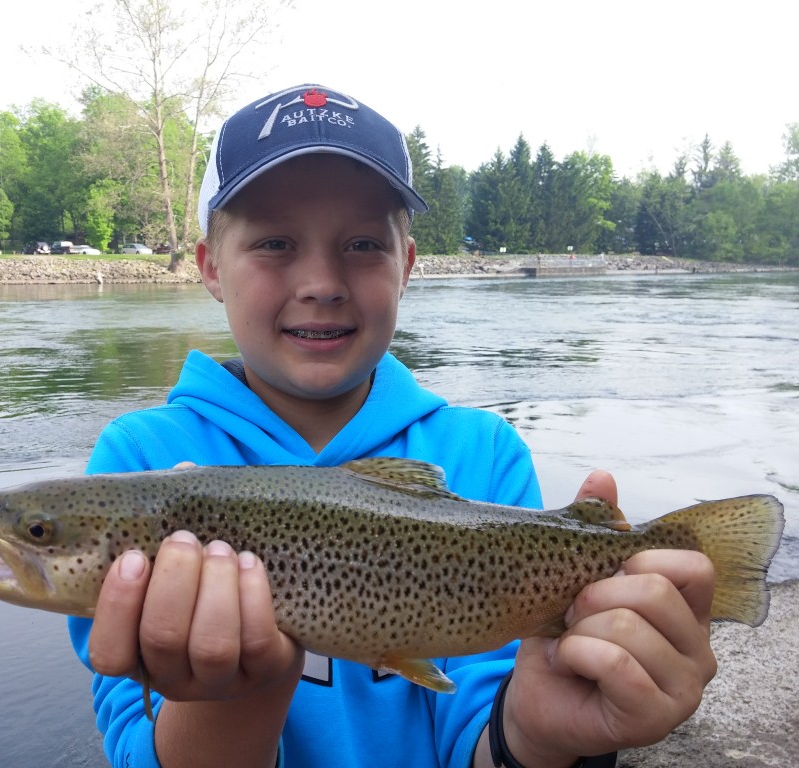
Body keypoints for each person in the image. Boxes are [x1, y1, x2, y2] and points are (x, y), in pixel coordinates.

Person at [68, 84, 717, 768]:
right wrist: (230, 700)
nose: (321, 280)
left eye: (361, 244)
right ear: (209, 269)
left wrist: (539, 736)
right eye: (276, 243)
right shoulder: (139, 461)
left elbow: (485, 726)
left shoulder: (484, 454)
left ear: (406, 267)